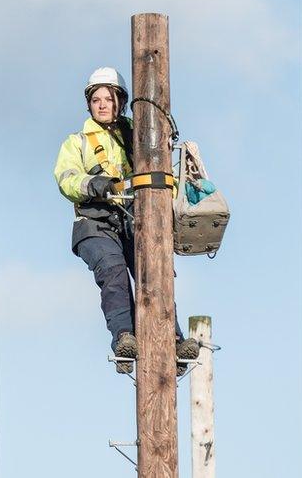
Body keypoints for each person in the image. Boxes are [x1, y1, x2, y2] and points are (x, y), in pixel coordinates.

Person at [54, 66, 198, 374]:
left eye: (109, 98)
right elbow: (66, 178)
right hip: (95, 224)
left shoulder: (140, 137)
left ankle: (172, 341)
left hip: (133, 221)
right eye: (96, 100)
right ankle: (124, 336)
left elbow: (161, 174)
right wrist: (93, 184)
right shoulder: (77, 142)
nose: (103, 105)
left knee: (153, 271)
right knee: (114, 271)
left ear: (121, 102)